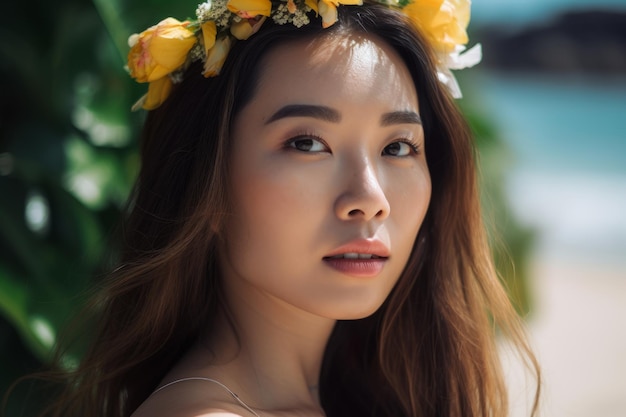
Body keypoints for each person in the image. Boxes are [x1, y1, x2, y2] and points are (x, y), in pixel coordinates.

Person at [35, 0, 540, 416]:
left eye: (398, 147)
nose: (369, 199)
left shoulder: (365, 395)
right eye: (307, 143)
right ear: (206, 181)